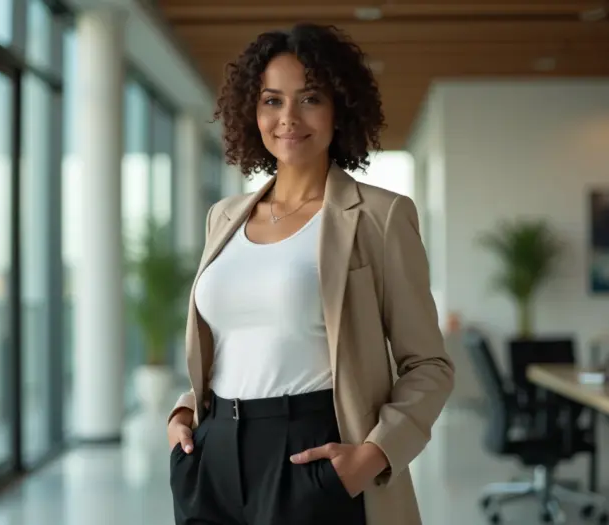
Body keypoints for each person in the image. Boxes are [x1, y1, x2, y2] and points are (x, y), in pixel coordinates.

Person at [166, 23, 454, 525]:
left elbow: (429, 364)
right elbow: (233, 342)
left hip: (312, 452)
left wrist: (375, 455)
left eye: (310, 98)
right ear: (251, 111)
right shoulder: (224, 217)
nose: (289, 118)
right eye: (272, 101)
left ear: (339, 107)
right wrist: (184, 410)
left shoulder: (379, 217)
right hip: (211, 456)